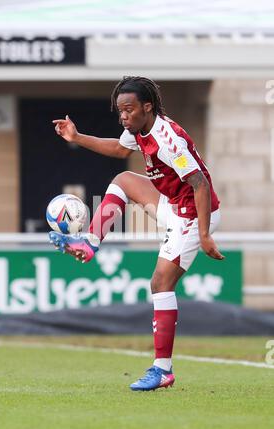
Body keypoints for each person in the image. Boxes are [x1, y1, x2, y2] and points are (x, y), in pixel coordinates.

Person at [50, 76, 224, 392]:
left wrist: (204, 233)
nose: (124, 116)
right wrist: (76, 137)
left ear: (148, 107)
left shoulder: (168, 138)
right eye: (120, 111)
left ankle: (162, 370)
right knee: (125, 179)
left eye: (129, 110)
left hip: (194, 214)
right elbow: (118, 149)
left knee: (160, 283)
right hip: (173, 203)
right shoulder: (139, 130)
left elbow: (200, 184)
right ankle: (90, 243)